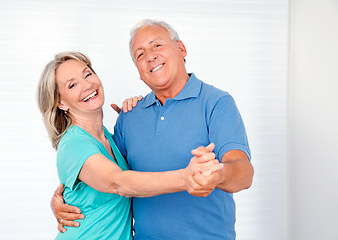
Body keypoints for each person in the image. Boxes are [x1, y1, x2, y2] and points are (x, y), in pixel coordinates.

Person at [52, 19, 254, 239]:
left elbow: (243, 173)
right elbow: (106, 175)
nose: (150, 56)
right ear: (139, 71)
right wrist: (62, 199)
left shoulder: (217, 103)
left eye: (157, 45)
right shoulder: (129, 117)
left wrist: (218, 174)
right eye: (140, 54)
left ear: (181, 48)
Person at [37, 51, 221, 239]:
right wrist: (186, 177)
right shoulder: (74, 144)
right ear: (60, 102)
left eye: (88, 74)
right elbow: (119, 182)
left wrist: (138, 117)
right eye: (72, 85)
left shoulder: (109, 138)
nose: (87, 85)